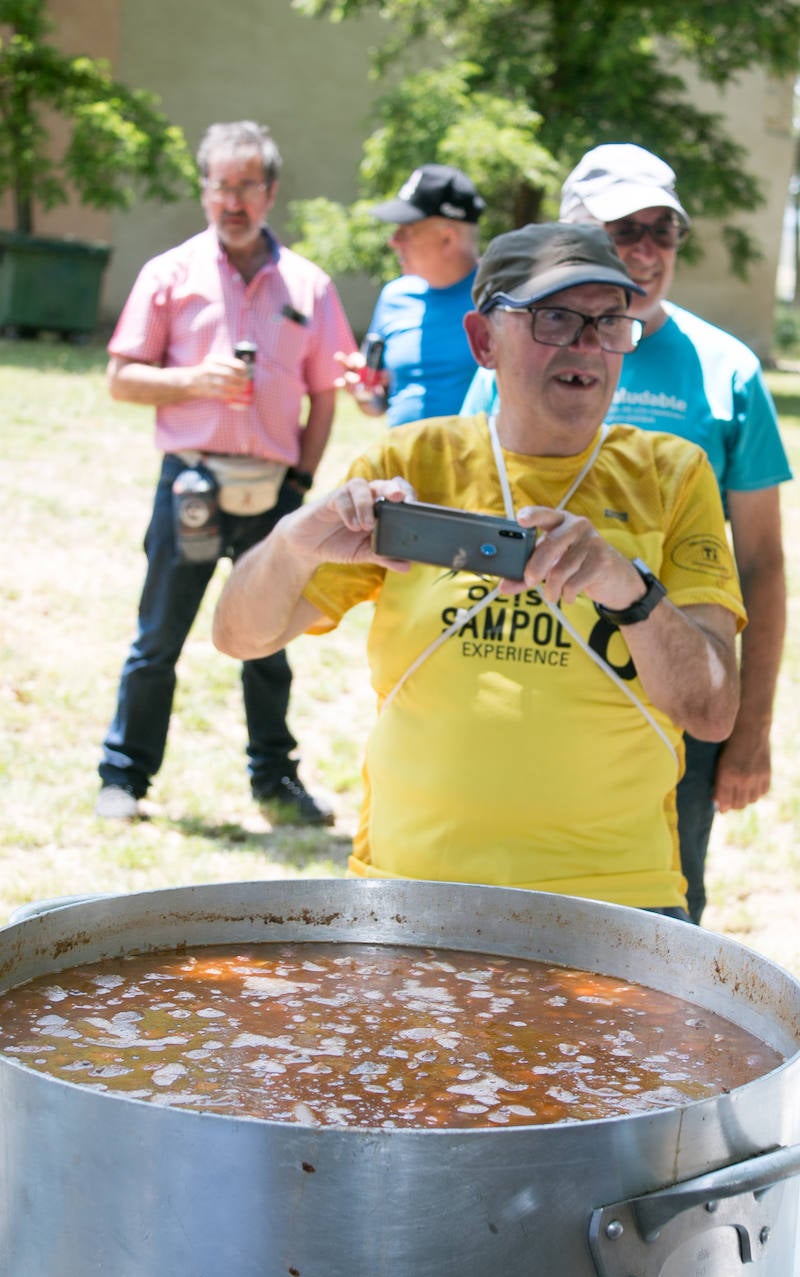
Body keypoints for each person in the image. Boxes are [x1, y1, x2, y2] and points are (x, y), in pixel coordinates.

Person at [213, 222, 745, 918]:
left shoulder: (673, 474)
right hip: (409, 894)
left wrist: (628, 589)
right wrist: (291, 543)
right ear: (483, 339)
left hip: (617, 904)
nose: (587, 343)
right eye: (556, 317)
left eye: (611, 321)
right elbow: (239, 636)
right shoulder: (412, 465)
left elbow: (711, 711)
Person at [462, 144, 790, 924]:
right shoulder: (512, 352)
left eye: (661, 232)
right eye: (621, 231)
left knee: (660, 926)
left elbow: (763, 566)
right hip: (525, 685)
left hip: (676, 694)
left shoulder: (726, 369)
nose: (643, 252)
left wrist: (750, 731)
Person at [95, 120, 357, 824]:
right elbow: (121, 379)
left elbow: (324, 394)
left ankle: (274, 780)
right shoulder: (169, 275)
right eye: (220, 185)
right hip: (191, 486)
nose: (232, 201)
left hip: (274, 490)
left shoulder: (308, 283)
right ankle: (123, 777)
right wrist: (192, 382)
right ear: (204, 190)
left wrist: (302, 483)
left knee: (268, 645)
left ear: (270, 192)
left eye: (247, 186)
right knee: (159, 639)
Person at [335, 164, 485, 426]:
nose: (393, 241)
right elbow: (380, 403)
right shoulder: (395, 296)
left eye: (406, 230)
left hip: (478, 465)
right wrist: (363, 391)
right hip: (403, 464)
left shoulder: (499, 296)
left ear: (447, 238)